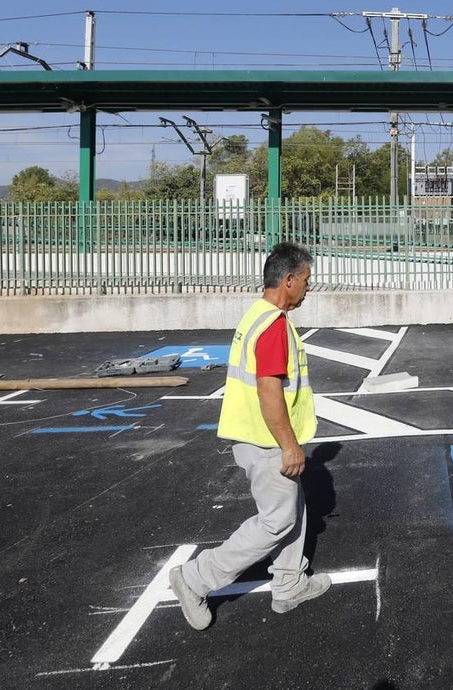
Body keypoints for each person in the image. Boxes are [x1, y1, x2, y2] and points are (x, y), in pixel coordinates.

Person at [169, 242, 330, 630]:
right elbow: (269, 389)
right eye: (306, 280)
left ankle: (289, 584)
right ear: (288, 280)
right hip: (266, 441)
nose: (310, 286)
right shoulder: (273, 326)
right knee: (276, 520)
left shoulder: (259, 314)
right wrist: (289, 445)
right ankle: (194, 579)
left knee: (294, 510)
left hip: (255, 435)